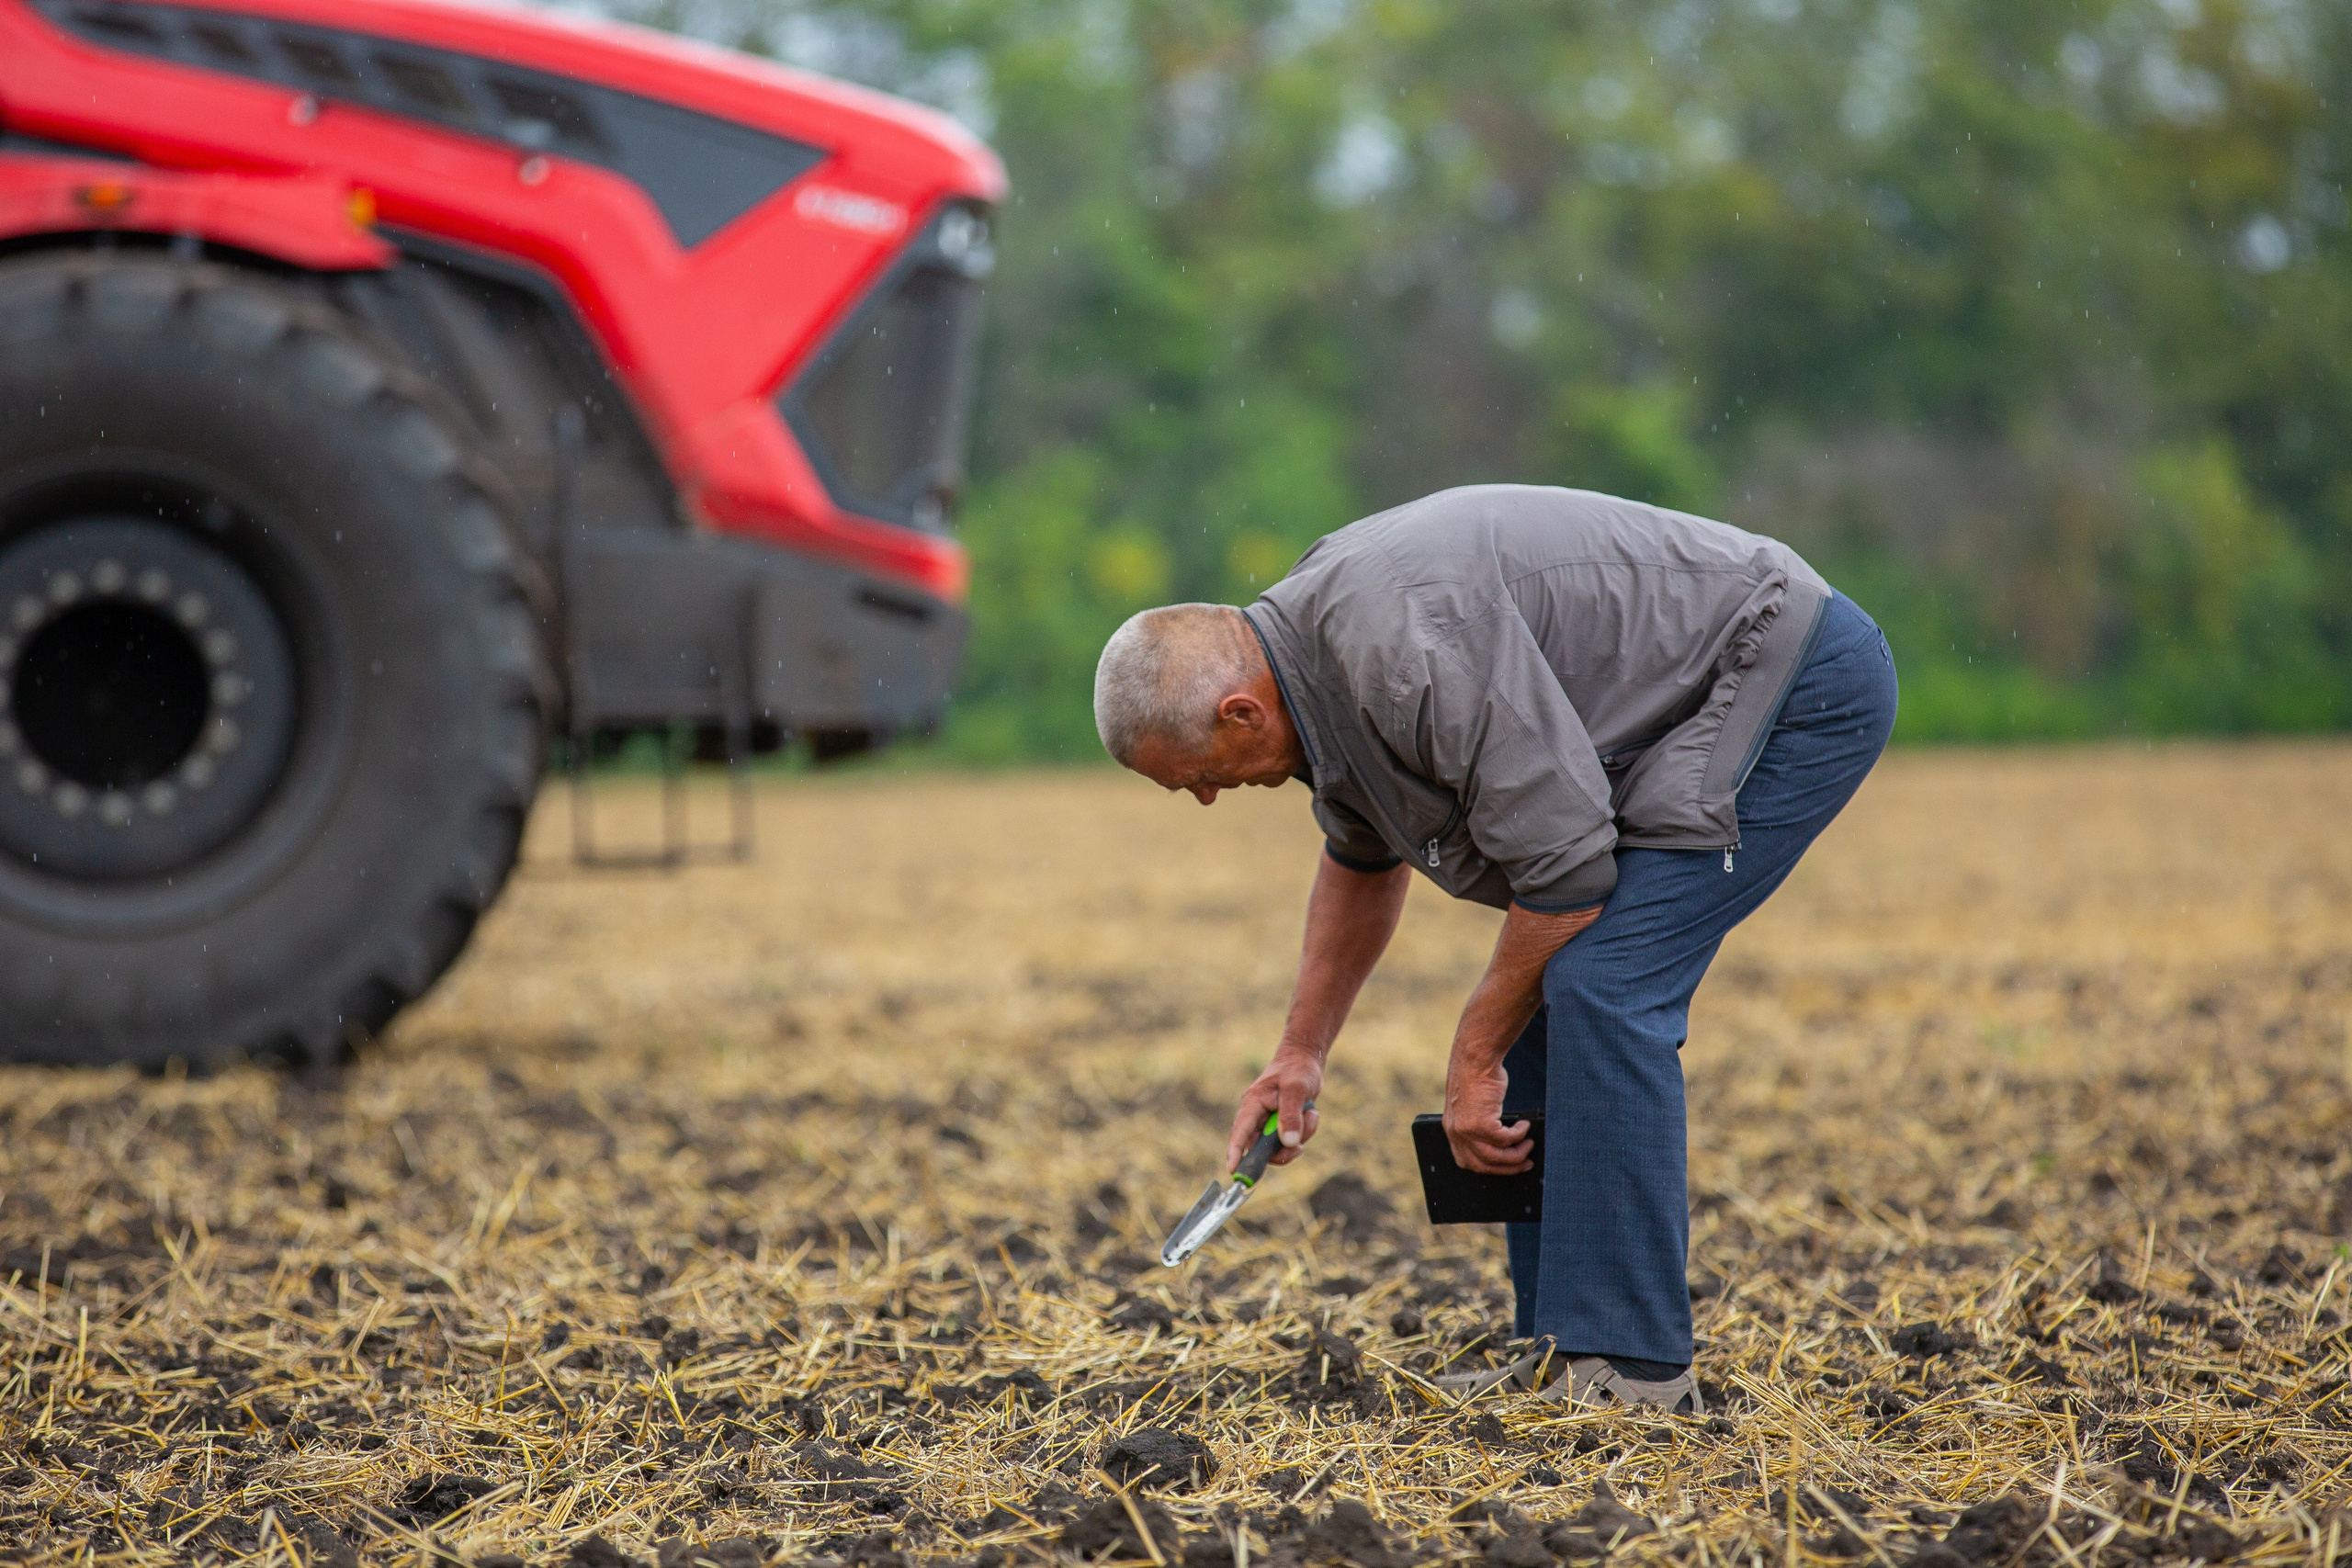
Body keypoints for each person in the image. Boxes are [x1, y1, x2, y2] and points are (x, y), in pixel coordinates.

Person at [1092, 484, 1897, 1414]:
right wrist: (1299, 1055)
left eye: (1195, 780)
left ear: (1240, 715)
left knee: (1600, 984)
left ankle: (1636, 1371)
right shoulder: (1310, 661)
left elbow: (1564, 878)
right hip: (1684, 706)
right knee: (1552, 982)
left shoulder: (1403, 656)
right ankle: (1564, 1349)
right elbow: (1359, 861)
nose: (1204, 800)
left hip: (1787, 672)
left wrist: (1473, 1054)